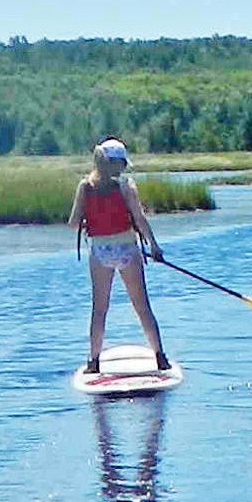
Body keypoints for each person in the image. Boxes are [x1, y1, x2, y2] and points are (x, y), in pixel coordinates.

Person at [69, 138, 171, 377]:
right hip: (127, 249)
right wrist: (155, 247)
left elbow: (73, 223)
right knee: (142, 306)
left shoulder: (85, 186)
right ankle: (160, 358)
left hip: (100, 252)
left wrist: (89, 221)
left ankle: (93, 362)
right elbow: (140, 219)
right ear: (116, 164)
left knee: (99, 309)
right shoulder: (127, 187)